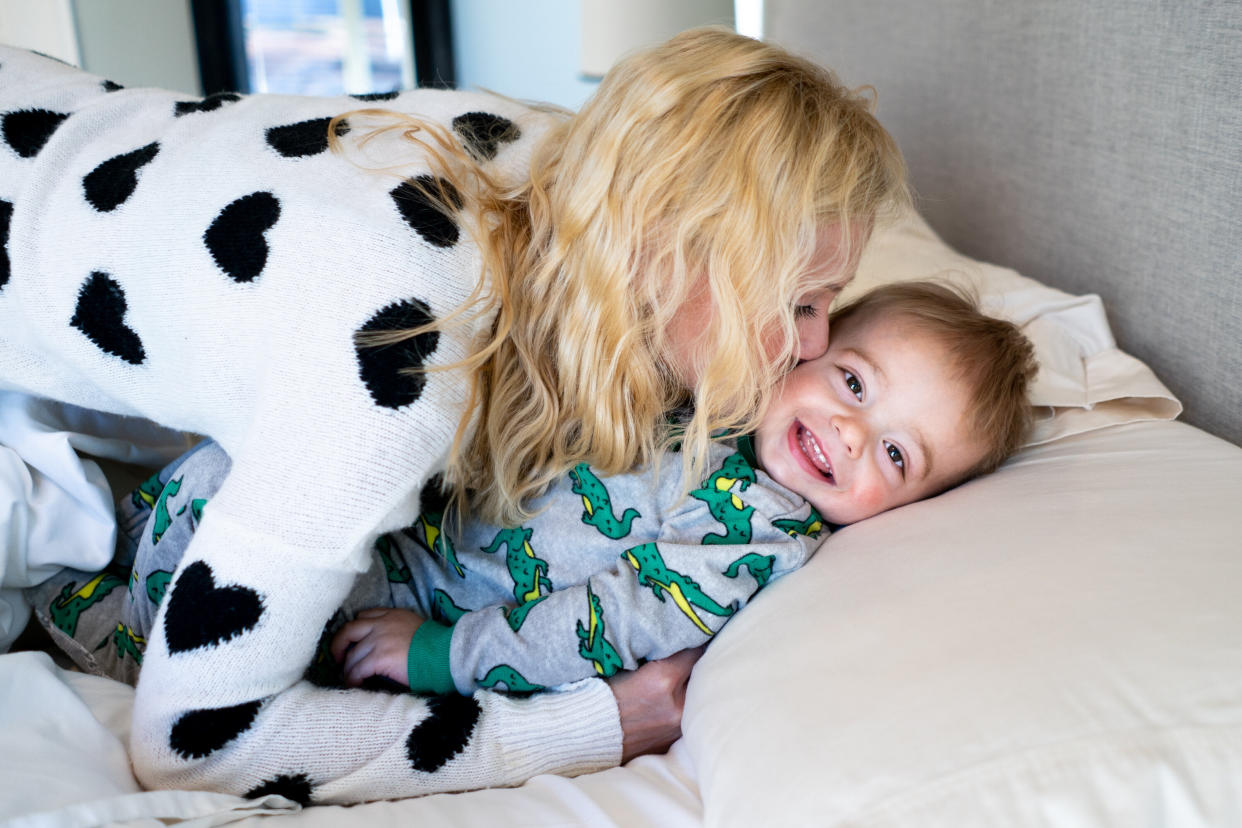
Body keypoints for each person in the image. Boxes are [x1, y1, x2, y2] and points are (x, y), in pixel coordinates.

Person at [0, 26, 907, 803]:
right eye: (798, 302)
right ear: (674, 251)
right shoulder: (405, 338)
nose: (815, 346)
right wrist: (597, 726)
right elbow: (194, 741)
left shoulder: (566, 166)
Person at [31, 281, 1037, 719]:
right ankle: (87, 544)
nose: (852, 433)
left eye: (897, 457)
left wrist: (440, 654)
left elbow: (604, 629)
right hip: (421, 504)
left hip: (416, 594)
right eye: (854, 383)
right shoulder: (723, 401)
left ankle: (114, 631)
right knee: (226, 463)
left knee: (229, 541)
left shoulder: (757, 541)